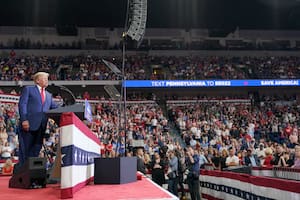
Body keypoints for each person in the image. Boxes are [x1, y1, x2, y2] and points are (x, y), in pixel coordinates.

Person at [17, 72, 58, 168]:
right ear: (37, 80)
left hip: (41, 127)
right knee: (25, 150)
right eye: (44, 78)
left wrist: (68, 107)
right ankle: (22, 174)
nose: (46, 80)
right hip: (28, 125)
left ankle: (30, 174)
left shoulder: (48, 95)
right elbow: (22, 105)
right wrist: (24, 120)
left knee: (36, 150)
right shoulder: (29, 89)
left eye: (47, 79)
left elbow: (55, 108)